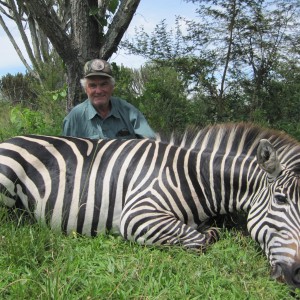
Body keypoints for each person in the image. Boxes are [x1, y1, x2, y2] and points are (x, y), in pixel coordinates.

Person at [63, 59, 155, 139]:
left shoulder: (128, 111)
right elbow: (67, 155)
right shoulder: (74, 118)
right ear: (85, 89)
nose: (98, 91)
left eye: (104, 84)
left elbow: (151, 144)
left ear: (112, 87)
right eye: (93, 85)